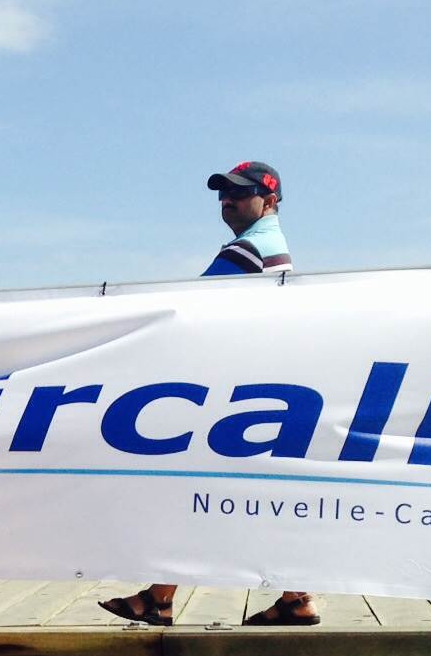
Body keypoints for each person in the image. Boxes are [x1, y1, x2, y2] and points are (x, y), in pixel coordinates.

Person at [101, 161, 319, 627]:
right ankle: (290, 598)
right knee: (224, 495)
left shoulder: (250, 250)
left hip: (240, 397)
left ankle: (163, 598)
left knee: (197, 491)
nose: (227, 200)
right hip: (254, 393)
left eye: (240, 193)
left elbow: (190, 308)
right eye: (223, 193)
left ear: (270, 201)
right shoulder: (271, 247)